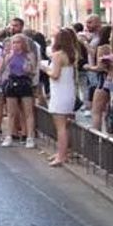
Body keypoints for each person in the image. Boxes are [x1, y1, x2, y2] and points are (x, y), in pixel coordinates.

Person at [44, 29, 80, 167]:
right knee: (65, 126)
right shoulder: (72, 54)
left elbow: (55, 75)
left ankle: (61, 156)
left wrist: (45, 69)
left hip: (59, 93)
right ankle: (64, 152)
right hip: (68, 92)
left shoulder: (57, 55)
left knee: (60, 127)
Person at [0, 33, 38, 149]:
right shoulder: (9, 55)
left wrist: (29, 69)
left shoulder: (29, 55)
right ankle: (9, 136)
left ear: (23, 44)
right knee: (11, 112)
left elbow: (34, 71)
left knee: (28, 112)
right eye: (14, 43)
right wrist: (5, 62)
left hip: (24, 82)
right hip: (12, 81)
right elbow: (1, 70)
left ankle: (30, 137)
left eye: (18, 42)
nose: (16, 45)